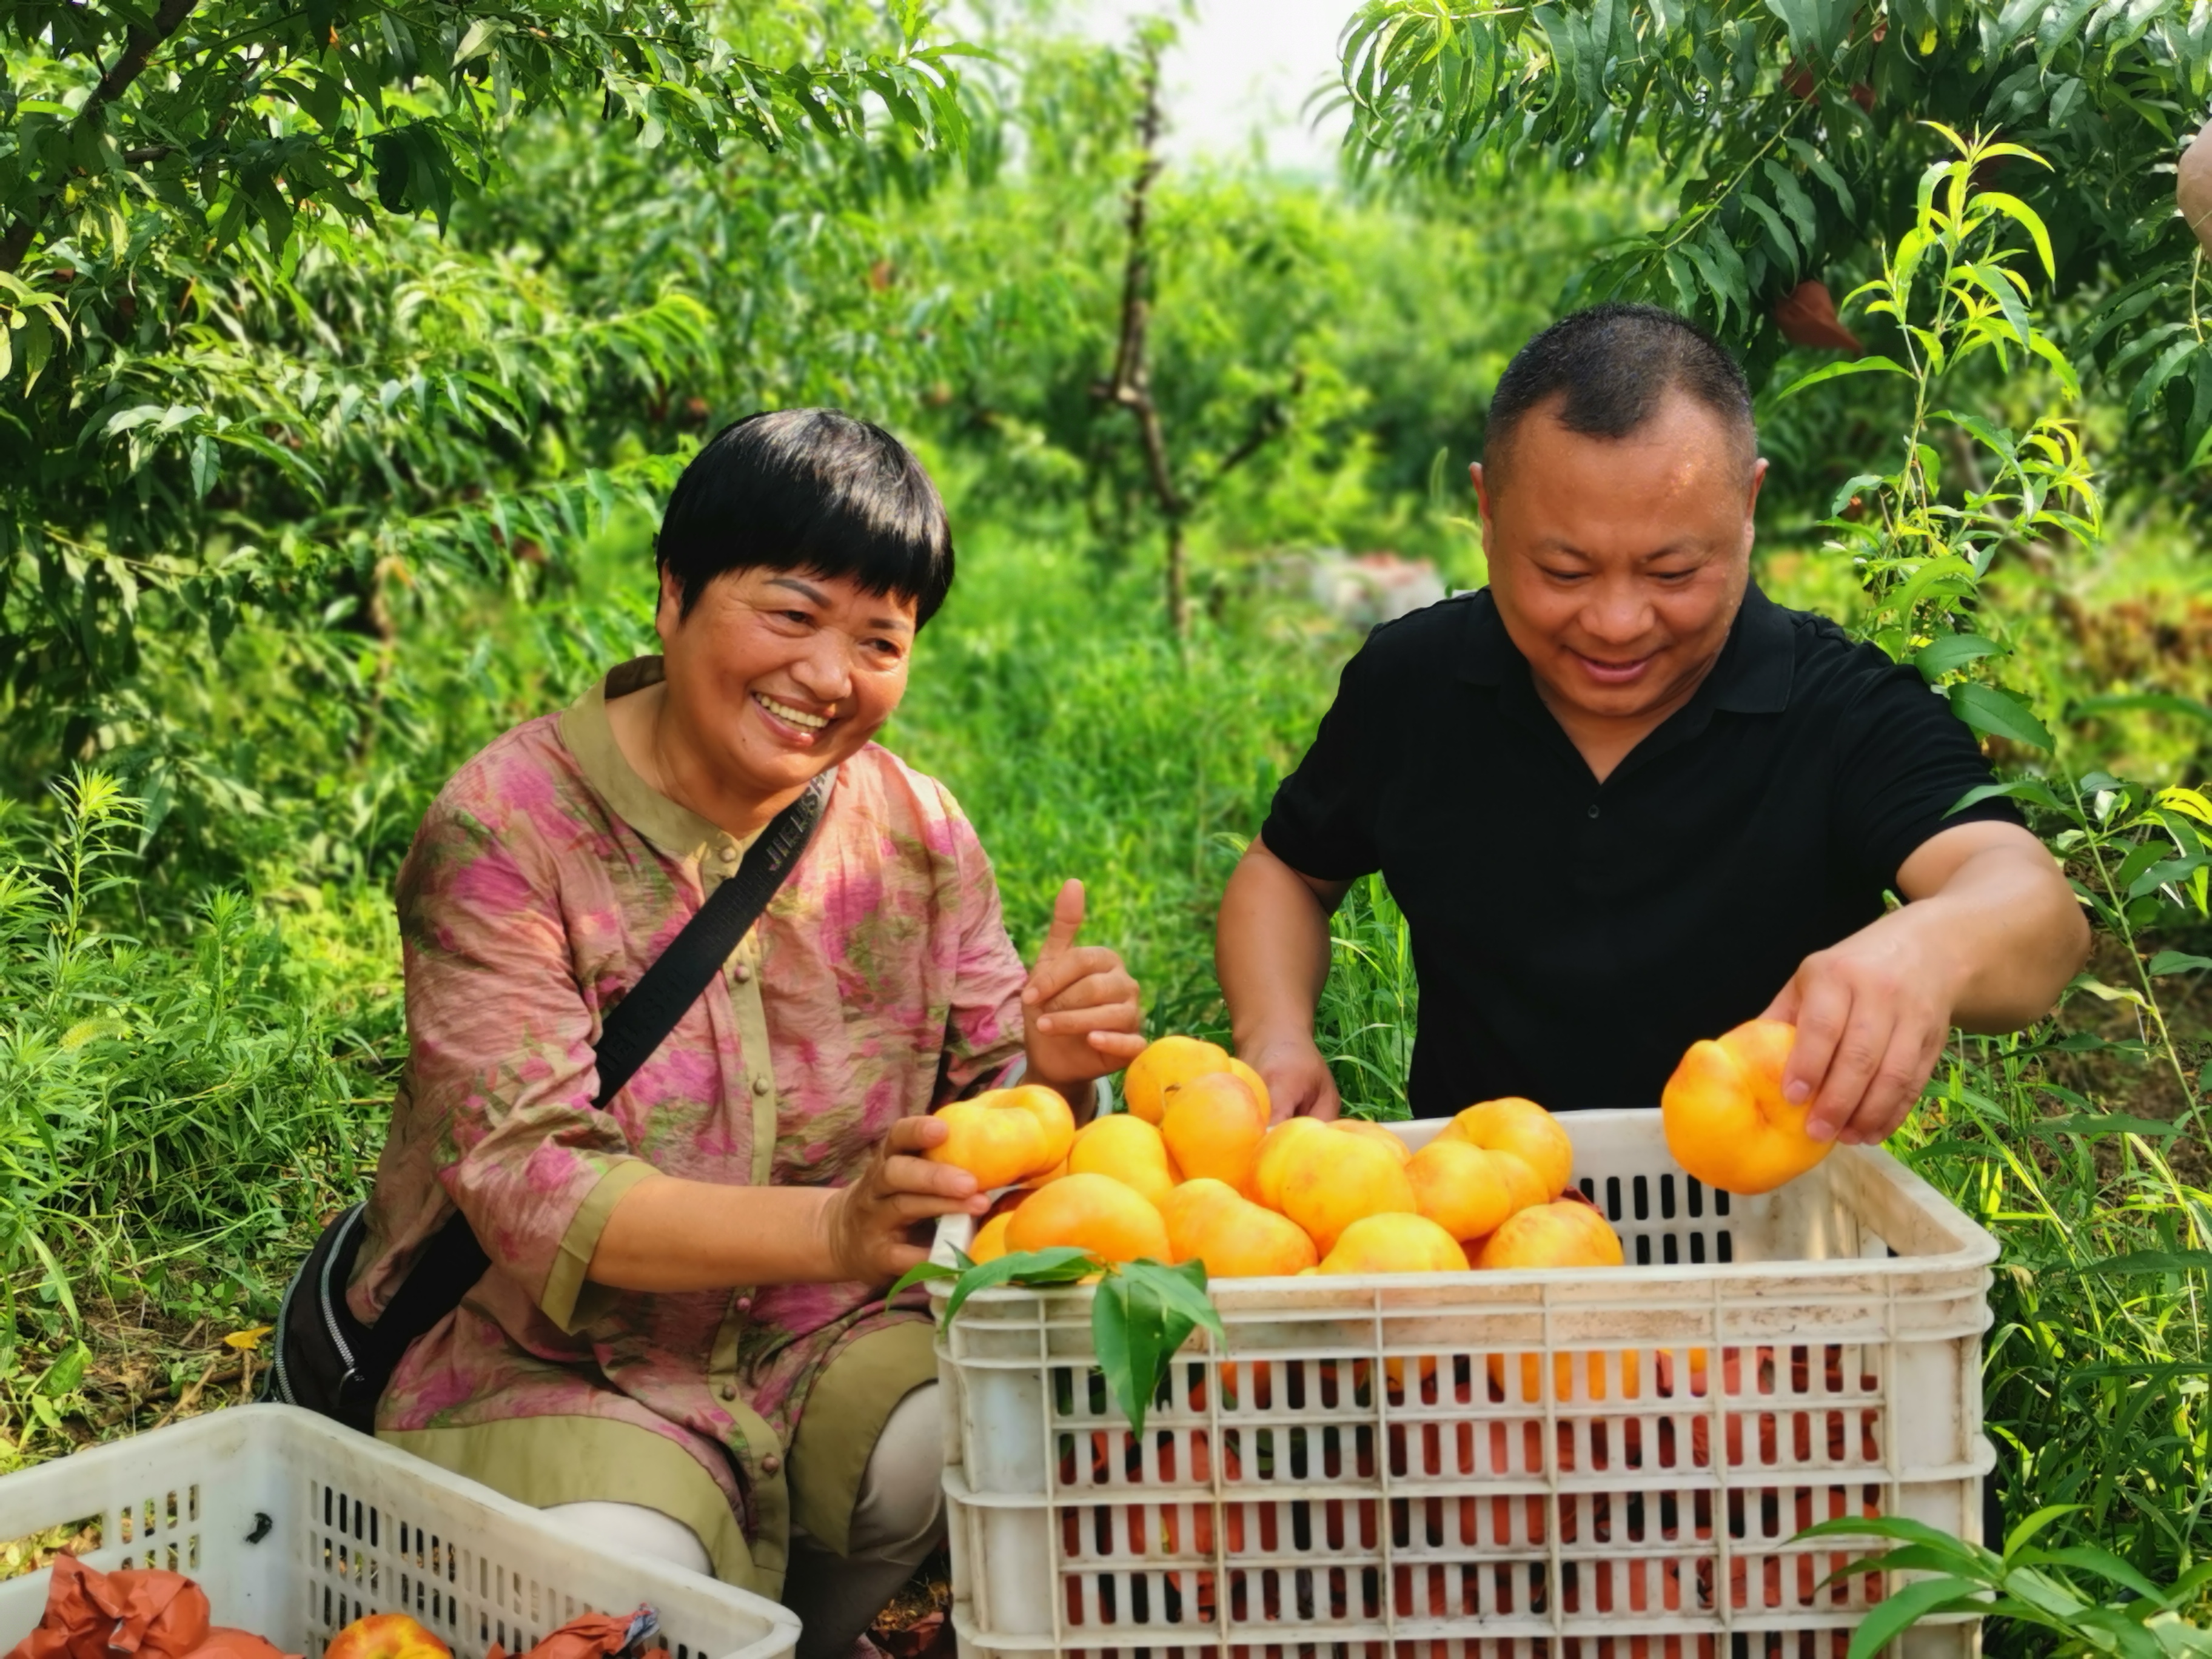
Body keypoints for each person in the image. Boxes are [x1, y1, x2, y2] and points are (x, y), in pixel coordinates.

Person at [346, 411, 1145, 1657]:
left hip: (821, 1334)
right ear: (672, 594)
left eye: (879, 639)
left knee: (989, 1434)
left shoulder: (919, 832)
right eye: (791, 612)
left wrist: (1055, 1079)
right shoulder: (507, 828)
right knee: (637, 1593)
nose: (831, 675)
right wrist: (832, 1226)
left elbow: (999, 1132)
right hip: (556, 1358)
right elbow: (535, 1184)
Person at [1216, 304, 2088, 1142]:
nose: (1617, 623)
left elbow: (2033, 911)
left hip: (1765, 1238)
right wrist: (1277, 1035)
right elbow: (1287, 872)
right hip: (1480, 1223)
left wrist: (1928, 951)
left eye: (1672, 572)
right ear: (1486, 513)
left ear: (1747, 511)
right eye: (1563, 571)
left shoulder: (1842, 710)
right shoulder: (1415, 684)